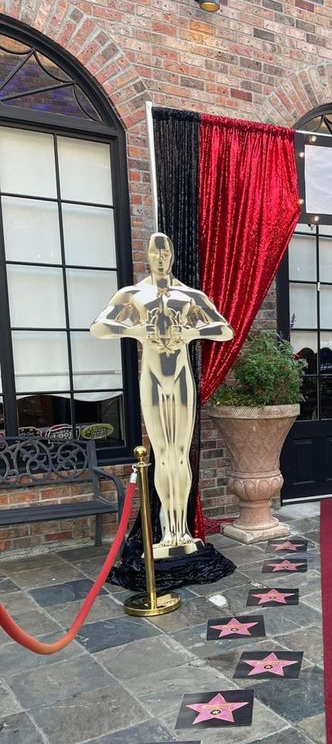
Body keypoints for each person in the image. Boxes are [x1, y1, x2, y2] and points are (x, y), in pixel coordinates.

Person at [91, 233, 233, 557]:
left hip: (182, 377)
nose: (159, 257)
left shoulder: (190, 295)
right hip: (152, 378)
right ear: (147, 255)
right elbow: (99, 326)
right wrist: (136, 330)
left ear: (171, 255)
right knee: (162, 455)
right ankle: (166, 531)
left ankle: (180, 531)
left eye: (164, 251)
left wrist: (193, 331)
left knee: (180, 454)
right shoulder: (133, 294)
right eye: (154, 251)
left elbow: (225, 329)